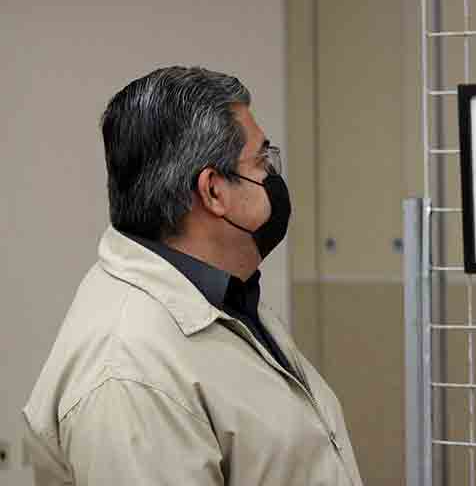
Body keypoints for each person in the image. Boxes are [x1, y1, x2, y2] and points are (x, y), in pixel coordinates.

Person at [22, 67, 362, 485]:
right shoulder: (132, 372)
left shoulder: (221, 299)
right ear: (213, 191)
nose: (273, 177)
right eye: (261, 161)